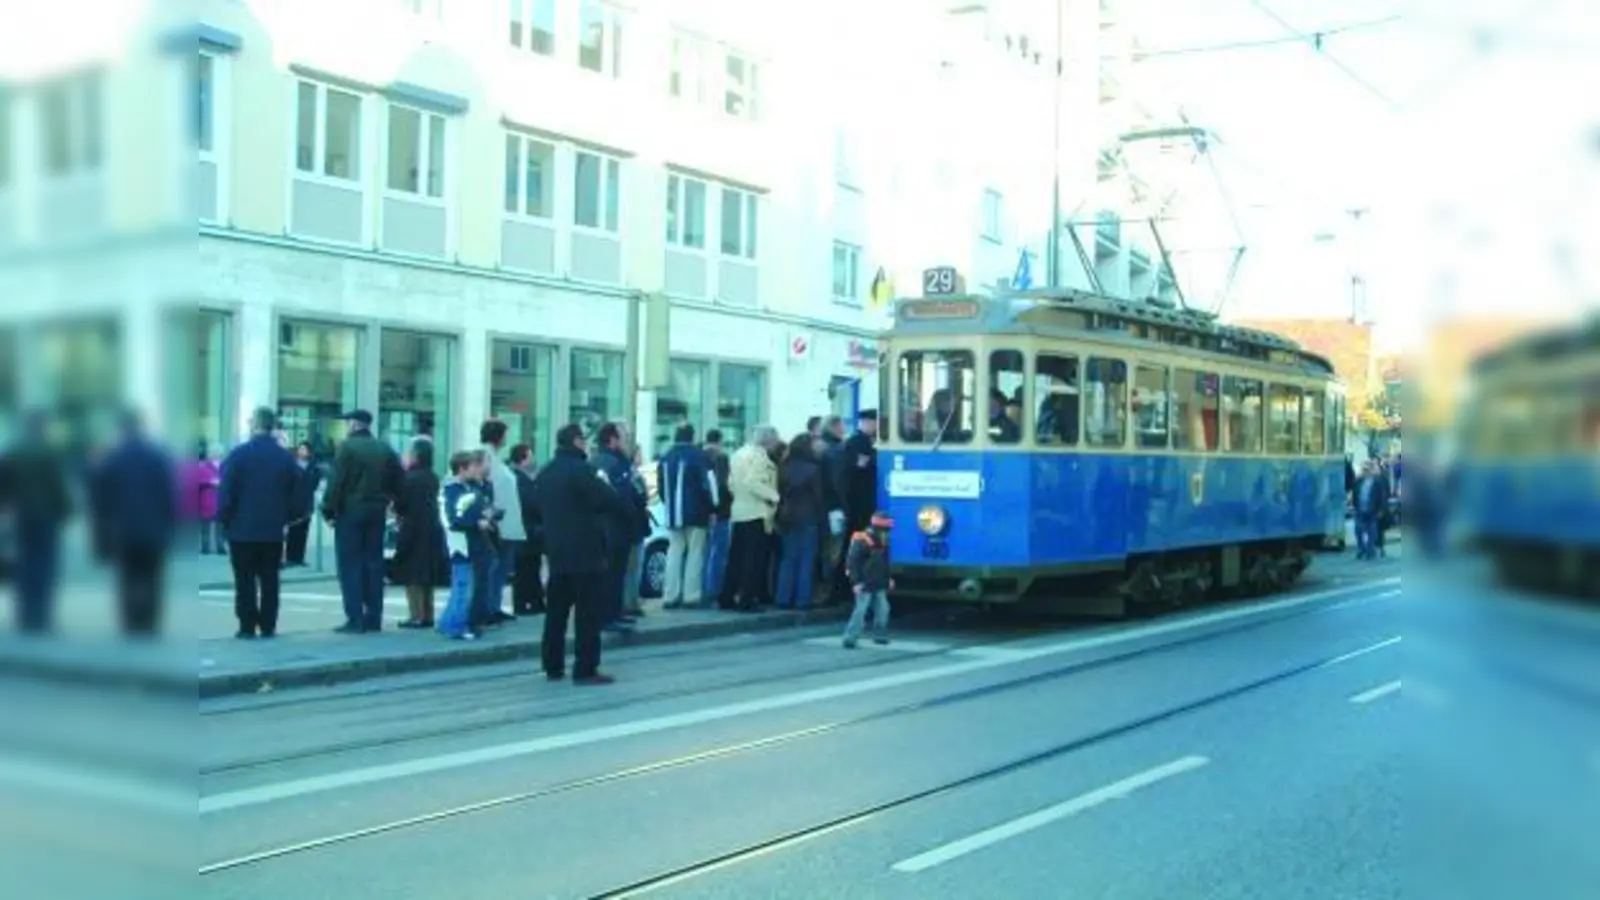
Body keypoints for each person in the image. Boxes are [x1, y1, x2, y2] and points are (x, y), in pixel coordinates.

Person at [532, 423, 637, 685]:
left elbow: (534, 510)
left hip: (556, 551)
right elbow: (609, 500)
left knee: (556, 612)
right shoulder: (583, 472)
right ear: (577, 442)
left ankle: (552, 664)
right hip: (586, 552)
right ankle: (585, 667)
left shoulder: (545, 474)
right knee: (587, 614)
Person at [88, 411, 177, 636]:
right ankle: (149, 621)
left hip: (123, 528)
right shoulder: (157, 455)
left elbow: (100, 497)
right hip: (153, 527)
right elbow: (169, 494)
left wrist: (102, 529)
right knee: (152, 577)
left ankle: (131, 621)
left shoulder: (112, 457)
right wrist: (170, 523)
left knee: (128, 577)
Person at [218, 408, 299, 639]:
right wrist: (288, 517)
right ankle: (268, 624)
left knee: (244, 580)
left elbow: (226, 492)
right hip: (272, 530)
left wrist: (224, 519)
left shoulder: (238, 455)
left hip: (242, 529)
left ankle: (246, 624)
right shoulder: (285, 457)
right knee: (270, 579)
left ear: (253, 425)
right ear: (273, 426)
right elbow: (298, 492)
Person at [321, 409, 404, 634]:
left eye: (348, 422)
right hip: (377, 510)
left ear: (355, 424)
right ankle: (374, 617)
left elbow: (337, 482)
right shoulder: (384, 448)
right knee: (374, 563)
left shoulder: (347, 448)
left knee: (350, 565)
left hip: (351, 510)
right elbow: (399, 480)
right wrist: (394, 504)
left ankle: (355, 618)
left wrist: (328, 510)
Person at [0, 410, 73, 633]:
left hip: (23, 515)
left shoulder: (14, 451)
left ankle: (26, 614)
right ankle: (41, 615)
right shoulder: (48, 451)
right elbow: (58, 485)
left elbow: (4, 484)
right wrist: (67, 510)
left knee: (25, 564)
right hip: (46, 515)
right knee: (45, 565)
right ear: (42, 426)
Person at [594, 422, 651, 631]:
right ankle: (609, 615)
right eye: (623, 438)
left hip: (615, 526)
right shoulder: (612, 463)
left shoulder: (610, 461)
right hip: (615, 526)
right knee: (613, 572)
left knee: (617, 573)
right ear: (612, 440)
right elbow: (622, 495)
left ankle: (615, 612)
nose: (626, 442)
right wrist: (631, 511)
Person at [720, 425, 781, 611]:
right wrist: (774, 496)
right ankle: (747, 598)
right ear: (768, 441)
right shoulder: (760, 458)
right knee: (753, 560)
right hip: (756, 512)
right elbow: (753, 481)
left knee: (736, 558)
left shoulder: (738, 454)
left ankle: (727, 596)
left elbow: (731, 482)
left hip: (739, 510)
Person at [657, 423, 717, 609]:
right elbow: (710, 485)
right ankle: (691, 595)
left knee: (674, 552)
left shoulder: (665, 457)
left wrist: (669, 504)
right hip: (697, 512)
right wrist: (713, 508)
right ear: (692, 437)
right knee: (695, 553)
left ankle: (670, 594)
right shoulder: (700, 457)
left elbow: (661, 488)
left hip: (673, 513)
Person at [437, 450, 491, 642]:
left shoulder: (463, 487)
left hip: (465, 543)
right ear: (462, 468)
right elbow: (454, 519)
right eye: (473, 466)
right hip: (460, 544)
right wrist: (477, 522)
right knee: (463, 586)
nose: (477, 469)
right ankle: (456, 626)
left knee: (462, 585)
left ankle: (448, 622)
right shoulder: (453, 489)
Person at [393, 439, 445, 629]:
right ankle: (428, 614)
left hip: (412, 527)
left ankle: (416, 615)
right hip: (431, 527)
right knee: (427, 576)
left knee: (412, 574)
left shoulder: (409, 478)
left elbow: (400, 504)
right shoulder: (432, 477)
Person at [830, 410, 879, 604]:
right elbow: (860, 467)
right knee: (854, 547)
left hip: (857, 502)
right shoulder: (859, 442)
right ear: (867, 422)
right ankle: (843, 587)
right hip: (859, 503)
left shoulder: (858, 441)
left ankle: (845, 587)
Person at [479, 419, 524, 626]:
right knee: (495, 568)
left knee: (501, 569)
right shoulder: (485, 457)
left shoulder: (494, 457)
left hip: (506, 522)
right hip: (498, 522)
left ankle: (494, 606)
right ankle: (488, 607)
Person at [775, 433, 825, 609]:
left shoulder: (783, 467)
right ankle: (802, 599)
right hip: (808, 516)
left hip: (786, 516)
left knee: (788, 558)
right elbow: (818, 498)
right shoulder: (812, 469)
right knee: (806, 558)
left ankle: (783, 597)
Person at [843, 511, 895, 648]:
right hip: (864, 583)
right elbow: (852, 563)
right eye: (886, 529)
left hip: (878, 582)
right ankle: (850, 638)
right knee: (860, 611)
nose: (887, 532)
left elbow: (885, 563)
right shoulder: (862, 539)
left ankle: (880, 635)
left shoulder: (883, 540)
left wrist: (888, 578)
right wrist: (856, 582)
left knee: (883, 609)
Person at [509, 443, 546, 615]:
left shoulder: (525, 478)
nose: (534, 459)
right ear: (523, 459)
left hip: (529, 530)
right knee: (525, 569)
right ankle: (524, 603)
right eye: (530, 456)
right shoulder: (520, 479)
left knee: (531, 567)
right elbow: (531, 503)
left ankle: (533, 600)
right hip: (527, 529)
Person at [701, 429, 734, 601]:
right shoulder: (721, 458)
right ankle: (714, 589)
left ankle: (702, 588)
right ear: (719, 441)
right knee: (718, 553)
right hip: (720, 512)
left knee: (704, 553)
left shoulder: (699, 455)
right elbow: (723, 485)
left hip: (700, 513)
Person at [283, 442, 321, 568]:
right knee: (293, 531)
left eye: (305, 449)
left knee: (303, 532)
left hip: (307, 502)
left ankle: (299, 557)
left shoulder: (313, 467)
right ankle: (290, 557)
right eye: (300, 449)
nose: (302, 451)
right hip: (294, 502)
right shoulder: (292, 465)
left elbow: (315, 483)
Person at [1353, 459, 1390, 561]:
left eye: (1367, 468)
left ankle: (1370, 550)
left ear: (1371, 469)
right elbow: (1355, 494)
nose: (1364, 470)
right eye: (1363, 468)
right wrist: (1354, 506)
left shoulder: (1377, 481)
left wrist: (1381, 510)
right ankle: (1361, 549)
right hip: (1360, 510)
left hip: (1373, 510)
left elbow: (1383, 496)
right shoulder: (1359, 481)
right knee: (1358, 530)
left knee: (1372, 532)